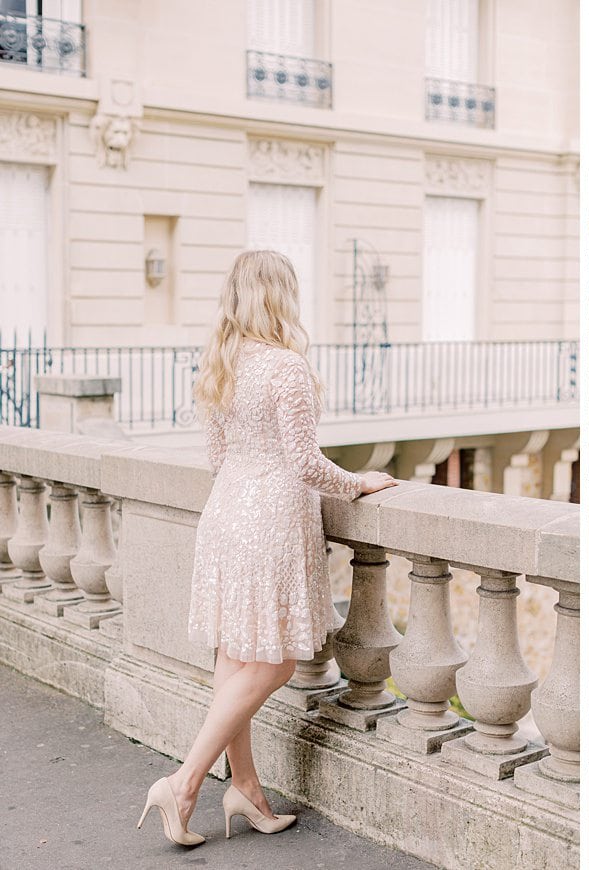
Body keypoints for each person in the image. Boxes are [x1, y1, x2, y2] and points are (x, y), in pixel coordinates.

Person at [136, 250, 398, 846]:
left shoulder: (220, 364)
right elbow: (304, 463)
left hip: (226, 513)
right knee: (277, 661)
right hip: (272, 521)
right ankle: (183, 783)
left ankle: (247, 789)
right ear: (282, 297)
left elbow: (217, 458)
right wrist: (360, 482)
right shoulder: (287, 369)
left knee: (233, 659)